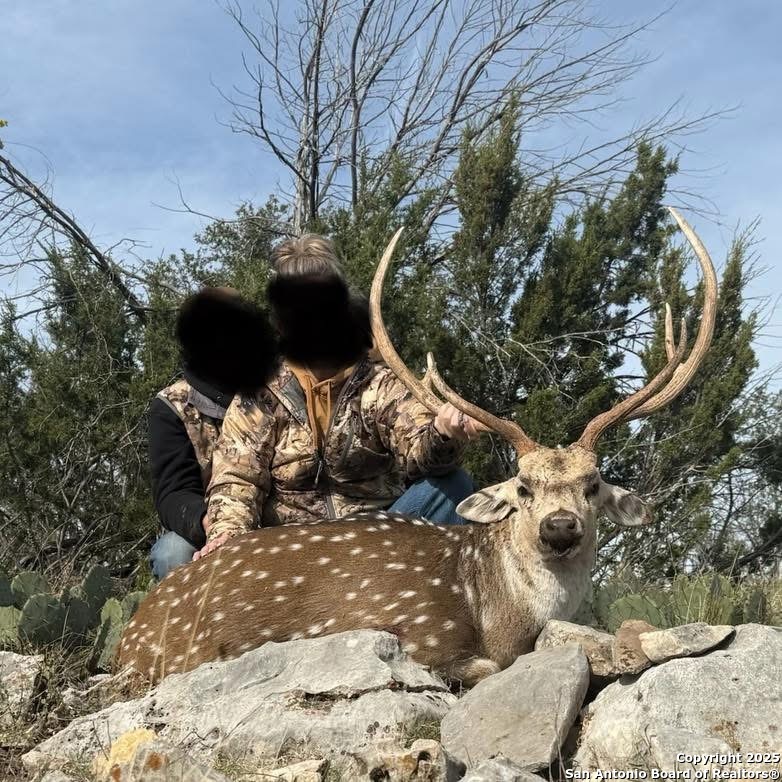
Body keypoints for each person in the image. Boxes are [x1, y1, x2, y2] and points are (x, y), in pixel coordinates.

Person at [198, 234, 486, 559]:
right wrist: (227, 535)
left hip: (375, 542)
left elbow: (419, 452)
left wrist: (444, 434)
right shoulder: (259, 395)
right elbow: (237, 479)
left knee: (452, 487)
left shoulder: (379, 383)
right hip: (291, 552)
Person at [147, 287, 278, 579]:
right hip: (211, 526)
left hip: (276, 518)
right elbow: (173, 493)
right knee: (172, 554)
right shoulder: (171, 406)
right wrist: (209, 522)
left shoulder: (274, 391)